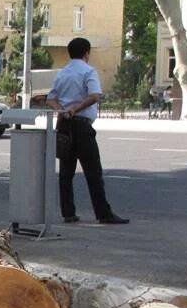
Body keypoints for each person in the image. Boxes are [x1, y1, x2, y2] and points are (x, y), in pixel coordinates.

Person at [46, 37, 129, 224]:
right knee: (93, 171)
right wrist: (76, 108)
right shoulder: (88, 71)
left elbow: (50, 98)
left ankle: (68, 212)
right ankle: (103, 213)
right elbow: (94, 96)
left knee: (66, 172)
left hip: (64, 124)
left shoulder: (62, 73)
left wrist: (62, 109)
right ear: (87, 53)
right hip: (82, 125)